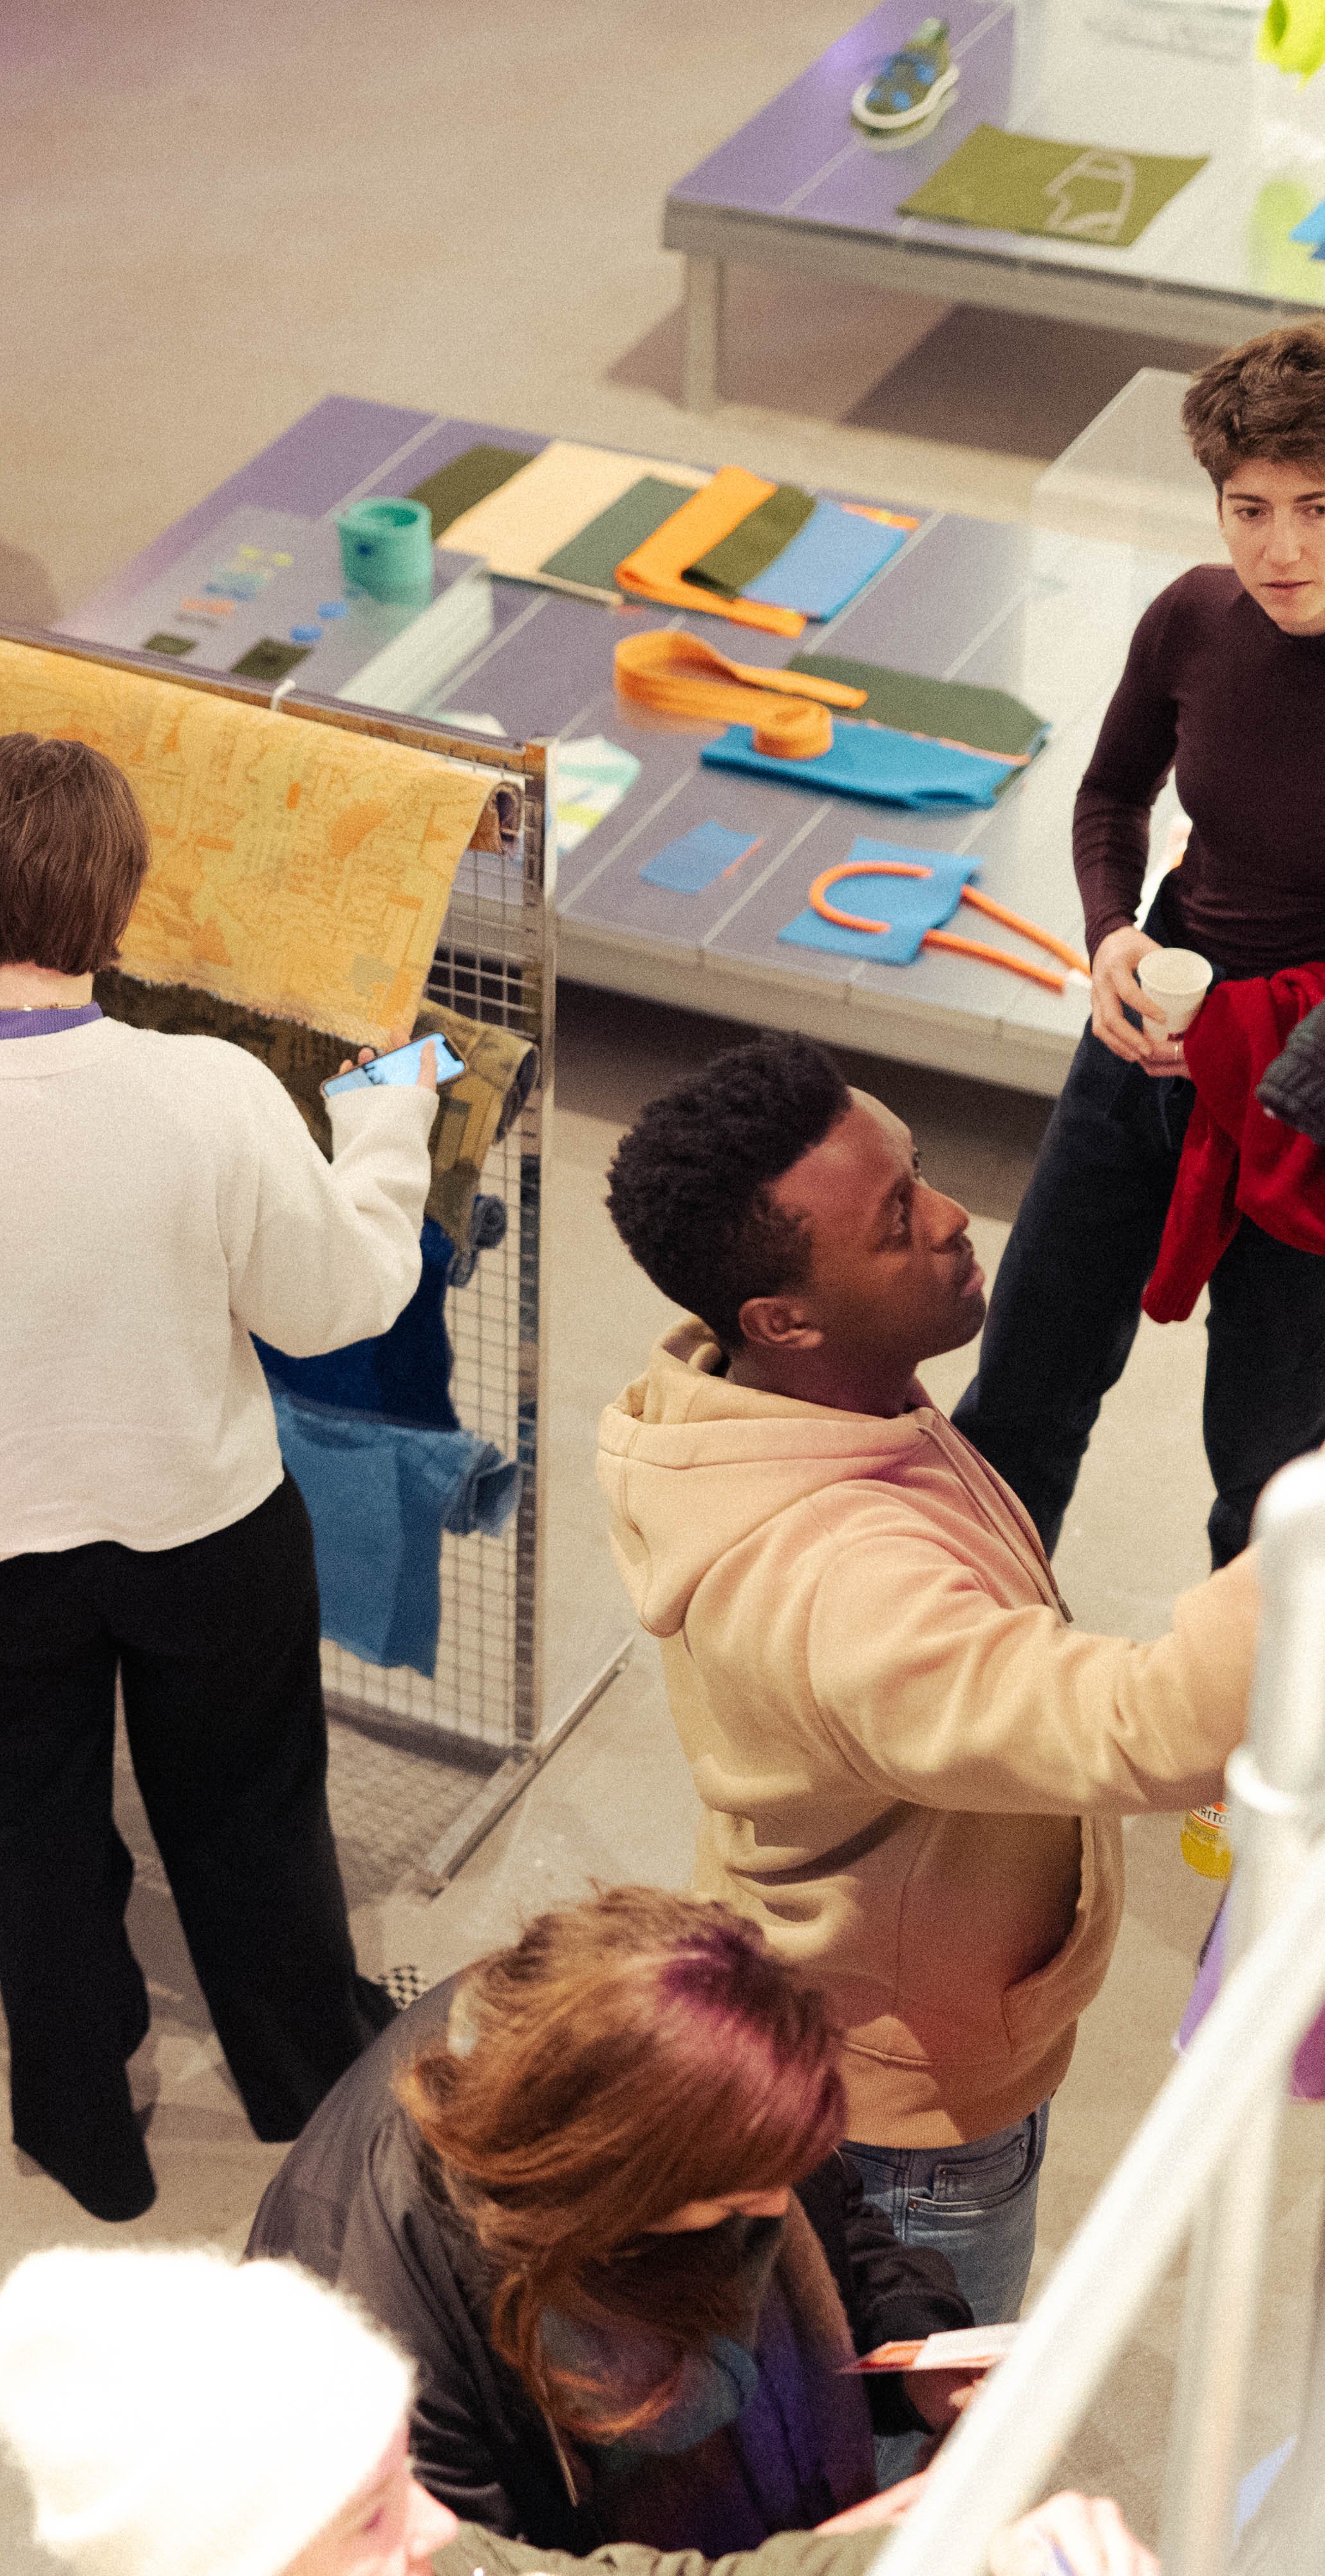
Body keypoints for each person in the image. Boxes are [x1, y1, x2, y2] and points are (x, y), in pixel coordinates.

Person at [0, 732, 440, 2228]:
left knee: (32, 1828)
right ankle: (299, 2062)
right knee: (252, 1807)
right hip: (204, 1522)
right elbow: (335, 1301)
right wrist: (391, 1121)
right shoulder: (214, 1091)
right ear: (122, 901)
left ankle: (81, 2115)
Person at [598, 1035, 1261, 2327]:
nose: (959, 1218)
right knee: (912, 2433)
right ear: (782, 1317)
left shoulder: (793, 1395)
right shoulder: (837, 1584)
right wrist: (1302, 1527)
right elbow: (1137, 1728)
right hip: (908, 2118)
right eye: (901, 1220)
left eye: (923, 1171)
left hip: (870, 1988)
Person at [249, 1888, 976, 2548]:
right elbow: (468, 2560)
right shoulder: (379, 2322)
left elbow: (839, 2218)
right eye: (732, 2198)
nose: (778, 2208)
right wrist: (802, 2570)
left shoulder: (707, 2047)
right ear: (621, 2184)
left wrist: (918, 2351)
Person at [954, 320, 1325, 1569]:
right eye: (1248, 507)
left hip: (1303, 1083)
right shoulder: (1192, 619)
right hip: (1150, 1027)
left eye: (1320, 507)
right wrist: (1111, 934)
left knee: (1270, 1469)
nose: (1281, 549)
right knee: (1018, 1391)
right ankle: (966, 1691)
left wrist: (1256, 1050)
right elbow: (1110, 796)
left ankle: (1252, 1754)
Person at [0, 2241, 1158, 2576]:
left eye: (405, 2481)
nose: (440, 2529)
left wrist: (960, 2543)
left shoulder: (450, 2564)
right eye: (368, 2520)